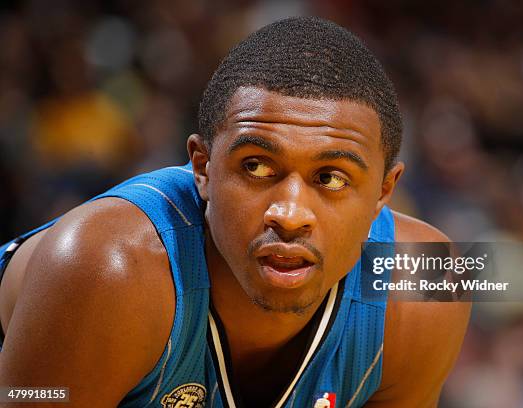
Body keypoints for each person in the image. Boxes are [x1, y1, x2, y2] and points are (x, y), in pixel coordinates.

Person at [0, 17, 470, 407]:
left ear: (385, 191)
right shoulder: (104, 266)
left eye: (330, 178)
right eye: (257, 166)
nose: (289, 214)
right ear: (201, 168)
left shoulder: (433, 279)